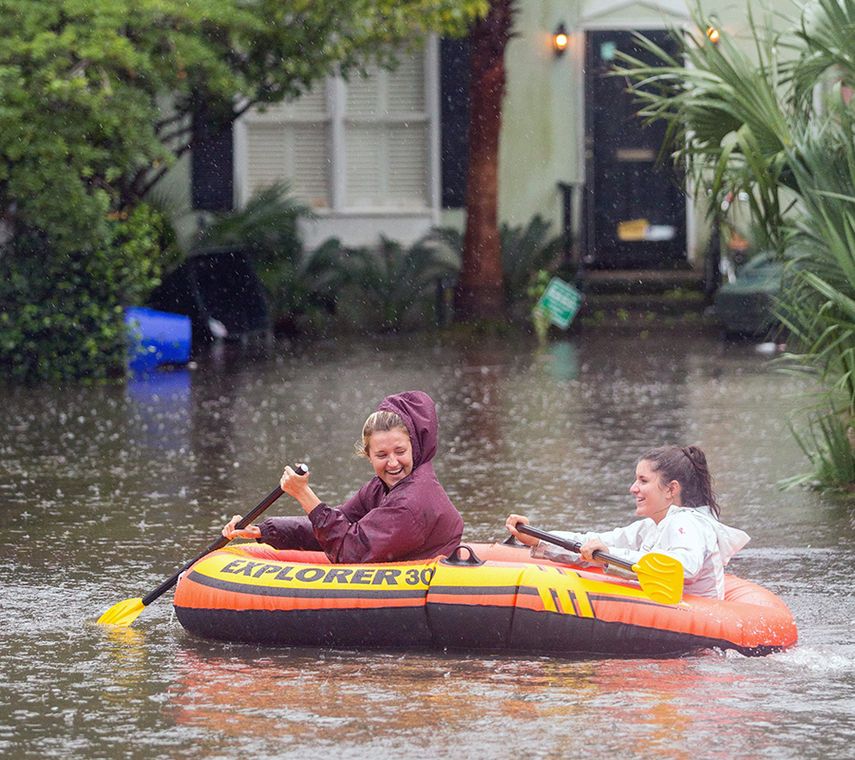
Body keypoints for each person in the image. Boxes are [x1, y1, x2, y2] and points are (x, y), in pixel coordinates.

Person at [222, 390, 464, 563]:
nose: (392, 463)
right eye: (381, 454)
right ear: (367, 455)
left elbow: (349, 550)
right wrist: (264, 531)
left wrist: (304, 494)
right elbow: (335, 525)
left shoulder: (412, 500)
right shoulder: (379, 488)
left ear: (415, 448)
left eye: (400, 451)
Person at [505, 445, 750, 599]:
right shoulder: (652, 525)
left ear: (671, 489)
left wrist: (610, 554)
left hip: (698, 626)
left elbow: (683, 568)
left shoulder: (688, 524)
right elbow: (596, 541)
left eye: (643, 481)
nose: (633, 488)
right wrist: (539, 538)